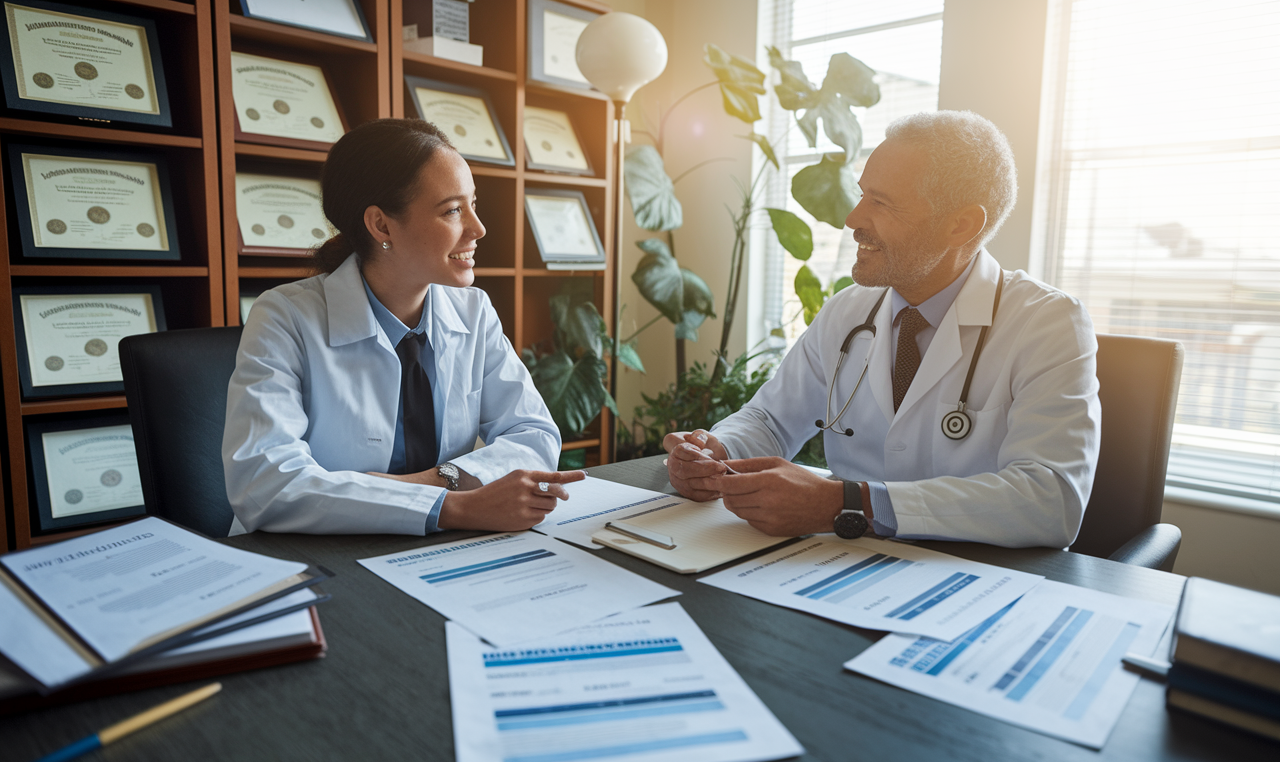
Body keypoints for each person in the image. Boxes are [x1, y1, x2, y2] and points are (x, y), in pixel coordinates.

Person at [664, 110, 1101, 549]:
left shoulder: (1047, 323)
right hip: (841, 561)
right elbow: (771, 420)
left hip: (972, 574)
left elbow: (1050, 499)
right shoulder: (847, 312)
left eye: (881, 202)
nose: (852, 219)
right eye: (861, 196)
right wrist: (717, 451)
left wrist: (849, 503)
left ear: (961, 225)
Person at [223, 118, 582, 536]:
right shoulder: (284, 317)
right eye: (452, 210)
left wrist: (436, 483)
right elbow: (265, 485)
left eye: (473, 204)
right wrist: (453, 506)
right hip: (312, 556)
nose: (478, 228)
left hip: (434, 551)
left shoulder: (473, 311)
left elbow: (534, 434)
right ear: (381, 226)